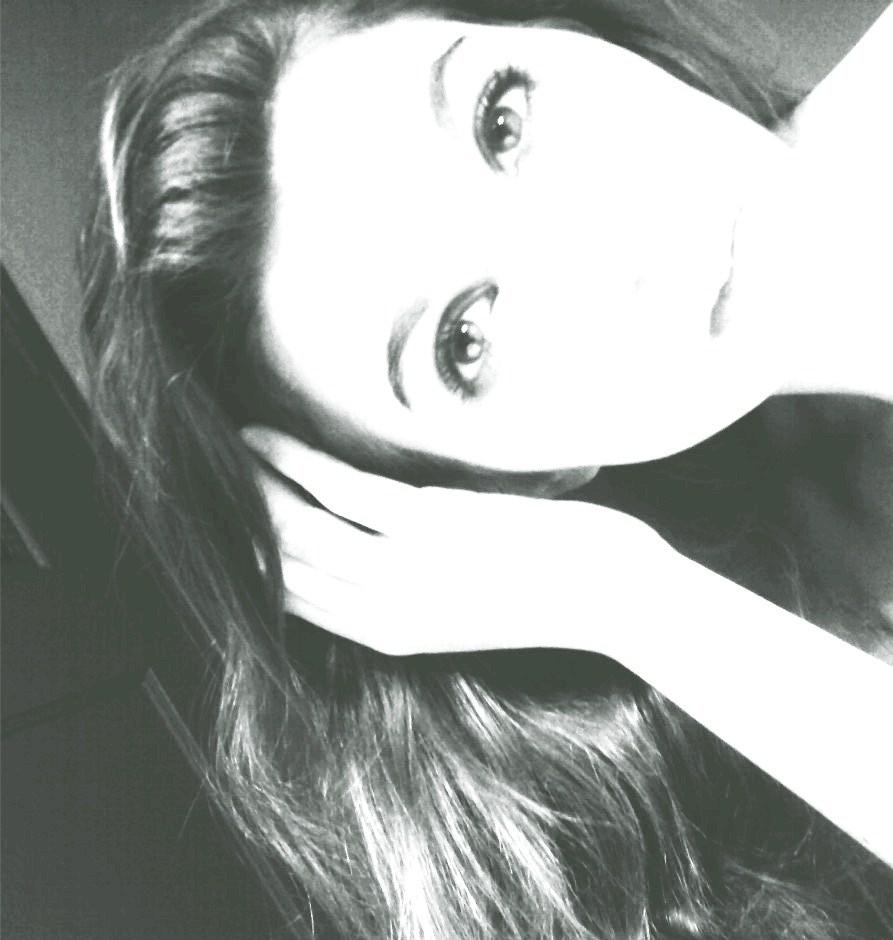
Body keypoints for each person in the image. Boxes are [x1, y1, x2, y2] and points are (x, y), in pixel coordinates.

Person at [80, 0, 893, 937]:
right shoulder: (803, 663)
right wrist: (630, 603)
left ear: (572, 30)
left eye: (500, 119)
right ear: (514, 490)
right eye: (464, 341)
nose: (601, 239)